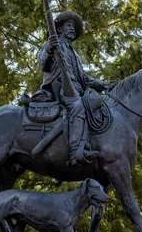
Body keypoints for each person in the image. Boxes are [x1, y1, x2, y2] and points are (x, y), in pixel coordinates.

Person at [37, 11, 114, 166]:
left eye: (73, 26)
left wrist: (103, 85)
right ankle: (75, 152)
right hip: (59, 87)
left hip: (76, 89)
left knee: (97, 103)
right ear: (59, 29)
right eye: (68, 25)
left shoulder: (75, 55)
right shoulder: (52, 43)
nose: (72, 29)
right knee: (78, 107)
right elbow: (42, 64)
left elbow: (84, 78)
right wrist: (49, 49)